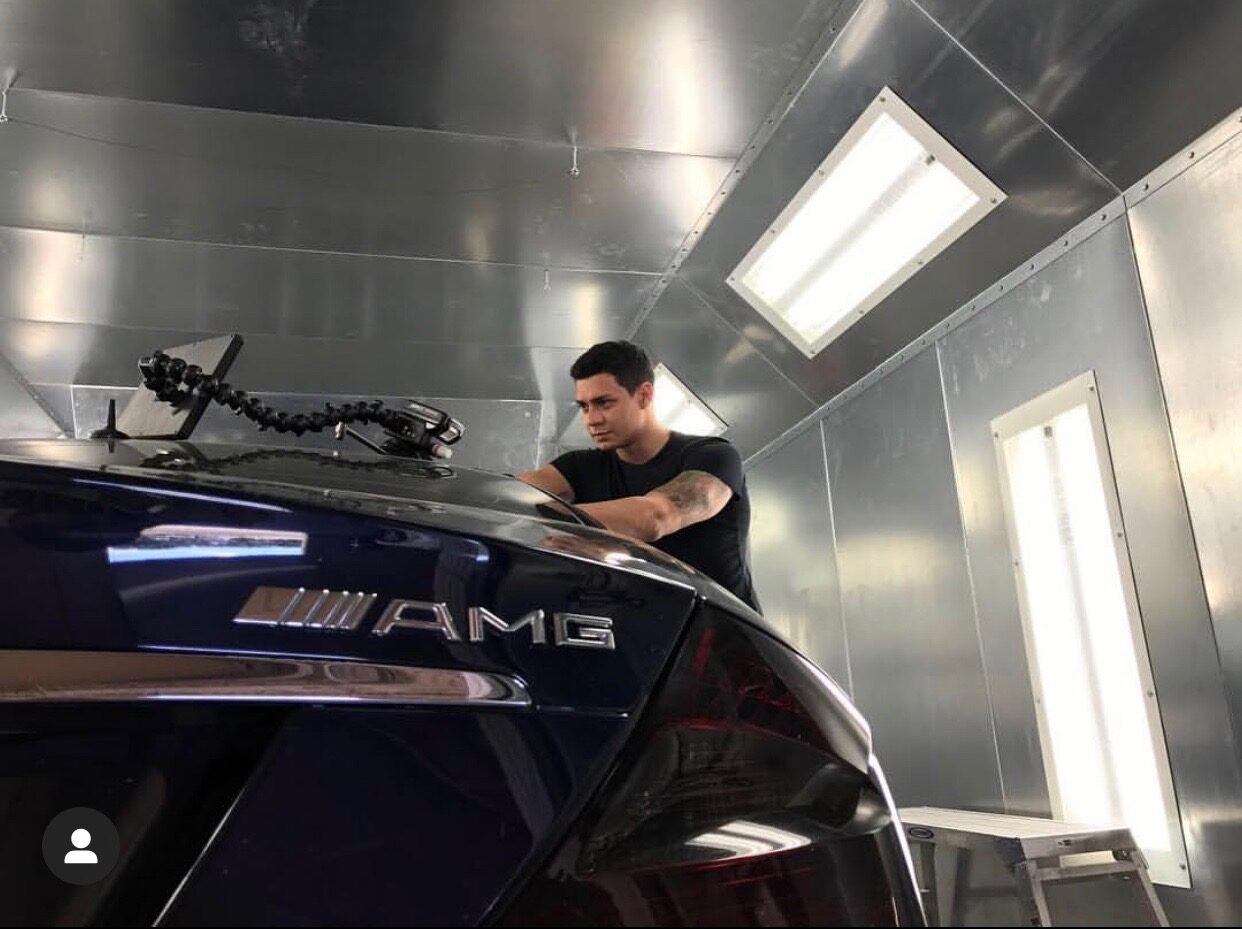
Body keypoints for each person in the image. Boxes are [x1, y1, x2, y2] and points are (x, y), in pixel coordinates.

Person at [519, 341, 760, 611]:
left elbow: (656, 516)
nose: (591, 419)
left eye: (604, 403)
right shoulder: (579, 466)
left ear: (644, 395)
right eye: (584, 407)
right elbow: (510, 494)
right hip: (646, 631)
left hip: (724, 634)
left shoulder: (713, 456)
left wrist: (551, 521)